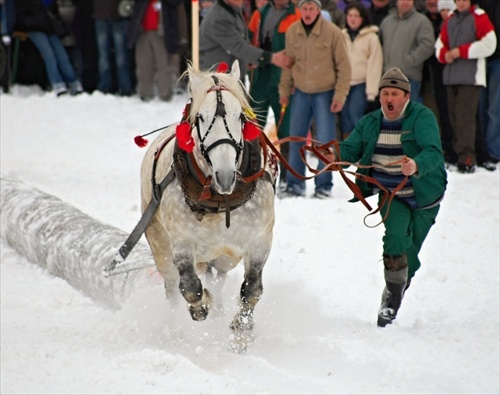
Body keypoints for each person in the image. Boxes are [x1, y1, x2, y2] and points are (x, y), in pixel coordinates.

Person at [325, 67, 447, 327]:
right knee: (394, 238)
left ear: (406, 97)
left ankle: (398, 285)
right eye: (384, 93)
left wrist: (415, 164)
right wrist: (335, 156)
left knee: (409, 259)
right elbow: (351, 148)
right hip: (392, 195)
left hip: (426, 196)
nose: (388, 98)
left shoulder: (422, 117)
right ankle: (391, 301)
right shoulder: (370, 122)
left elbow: (434, 152)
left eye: (394, 93)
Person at [279, 0, 351, 198]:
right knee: (296, 139)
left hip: (325, 92)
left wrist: (340, 95)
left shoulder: (333, 32)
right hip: (301, 92)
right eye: (304, 8)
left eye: (312, 8)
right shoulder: (293, 32)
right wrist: (284, 91)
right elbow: (288, 64)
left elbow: (344, 67)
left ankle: (324, 185)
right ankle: (295, 184)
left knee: (325, 143)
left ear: (319, 10)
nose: (308, 12)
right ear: (300, 10)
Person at [435, 0, 496, 173]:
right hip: (451, 76)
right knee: (454, 117)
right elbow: (440, 43)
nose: (461, 3)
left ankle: (467, 157)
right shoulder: (451, 19)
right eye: (458, 0)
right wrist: (443, 55)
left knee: (465, 118)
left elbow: (489, 44)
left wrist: (461, 52)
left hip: (470, 76)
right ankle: (457, 154)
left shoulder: (479, 16)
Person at [247, 0, 301, 188]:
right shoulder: (259, 14)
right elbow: (248, 42)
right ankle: (251, 169)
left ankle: (287, 175)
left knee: (286, 128)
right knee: (252, 124)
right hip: (260, 77)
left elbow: (301, 49)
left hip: (283, 79)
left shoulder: (297, 15)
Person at [199, 0, 292, 81]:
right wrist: (271, 58)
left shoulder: (233, 9)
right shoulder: (219, 18)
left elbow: (242, 38)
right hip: (216, 82)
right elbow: (238, 46)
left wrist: (249, 59)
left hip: (230, 78)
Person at [13, 0, 83, 96]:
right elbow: (21, 15)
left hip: (49, 28)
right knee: (49, 55)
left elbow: (56, 11)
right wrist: (34, 22)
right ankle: (57, 83)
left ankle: (73, 82)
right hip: (34, 28)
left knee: (62, 55)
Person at [340, 2, 383, 139]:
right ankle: (348, 150)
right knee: (345, 119)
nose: (352, 19)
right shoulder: (341, 36)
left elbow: (375, 65)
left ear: (363, 18)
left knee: (355, 114)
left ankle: (366, 146)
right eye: (350, 15)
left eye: (356, 16)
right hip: (344, 84)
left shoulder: (371, 37)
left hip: (361, 84)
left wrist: (372, 93)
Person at [379, 0, 435, 103]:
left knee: (409, 115)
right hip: (388, 77)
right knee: (391, 115)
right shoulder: (387, 22)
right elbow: (379, 45)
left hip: (409, 78)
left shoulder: (421, 21)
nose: (405, 2)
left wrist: (409, 61)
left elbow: (428, 45)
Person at [127, 0, 183, 102]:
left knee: (164, 65)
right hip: (142, 31)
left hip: (161, 32)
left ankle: (165, 94)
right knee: (143, 65)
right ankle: (145, 94)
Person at [93, 0, 133, 96]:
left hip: (119, 16)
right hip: (101, 15)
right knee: (103, 57)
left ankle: (125, 87)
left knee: (121, 57)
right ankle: (104, 86)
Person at [477, 0, 499, 164]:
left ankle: (493, 150)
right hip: (479, 59)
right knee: (480, 107)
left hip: (498, 60)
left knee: (494, 108)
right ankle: (482, 149)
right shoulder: (479, 3)